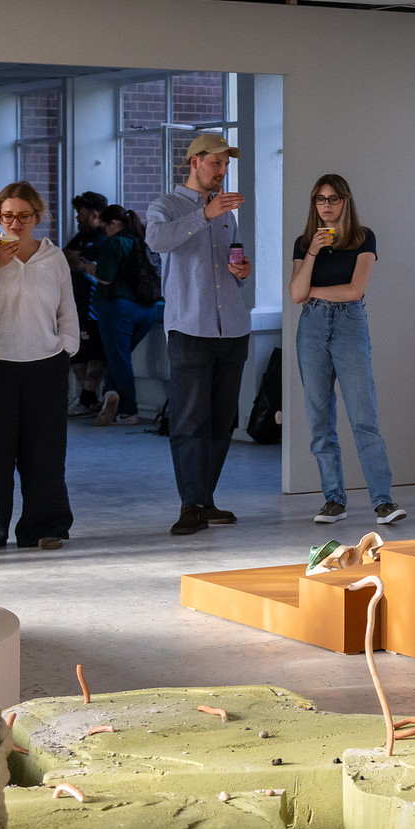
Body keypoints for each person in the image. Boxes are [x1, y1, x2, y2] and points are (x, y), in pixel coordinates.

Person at [146, 133, 253, 537]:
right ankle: (190, 504)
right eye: (216, 163)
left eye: (226, 164)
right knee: (190, 421)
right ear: (195, 162)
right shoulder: (166, 206)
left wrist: (241, 271)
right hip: (190, 327)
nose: (222, 171)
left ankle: (206, 500)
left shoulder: (227, 212)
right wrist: (204, 215)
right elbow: (157, 241)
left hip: (233, 328)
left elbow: (229, 264)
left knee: (222, 422)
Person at [290, 173, 405, 527]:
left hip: (348, 325)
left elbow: (355, 291)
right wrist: (312, 252)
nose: (326, 205)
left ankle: (383, 502)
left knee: (363, 418)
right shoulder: (303, 243)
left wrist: (313, 292)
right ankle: (333, 500)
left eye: (333, 199)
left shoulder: (363, 238)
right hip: (311, 329)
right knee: (319, 420)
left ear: (345, 201)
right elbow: (295, 294)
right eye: (320, 199)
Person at [0, 181, 79, 552]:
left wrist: (66, 348)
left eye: (24, 216)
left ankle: (44, 527)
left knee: (45, 452)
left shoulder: (54, 257)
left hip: (45, 363)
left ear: (37, 216)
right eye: (7, 216)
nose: (15, 223)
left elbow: (67, 309)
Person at [91, 205, 163, 427]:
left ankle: (129, 410)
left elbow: (105, 278)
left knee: (119, 358)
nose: (104, 232)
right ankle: (110, 391)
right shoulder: (143, 241)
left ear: (114, 223)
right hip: (148, 309)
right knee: (118, 356)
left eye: (104, 227)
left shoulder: (115, 242)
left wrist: (88, 267)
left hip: (118, 307)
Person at [66, 191, 111, 415]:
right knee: (77, 351)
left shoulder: (103, 237)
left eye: (81, 214)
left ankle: (88, 397)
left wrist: (78, 262)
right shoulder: (80, 237)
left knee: (95, 351)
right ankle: (87, 397)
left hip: (95, 306)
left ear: (94, 214)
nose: (77, 219)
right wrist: (77, 261)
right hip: (77, 304)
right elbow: (66, 257)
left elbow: (79, 261)